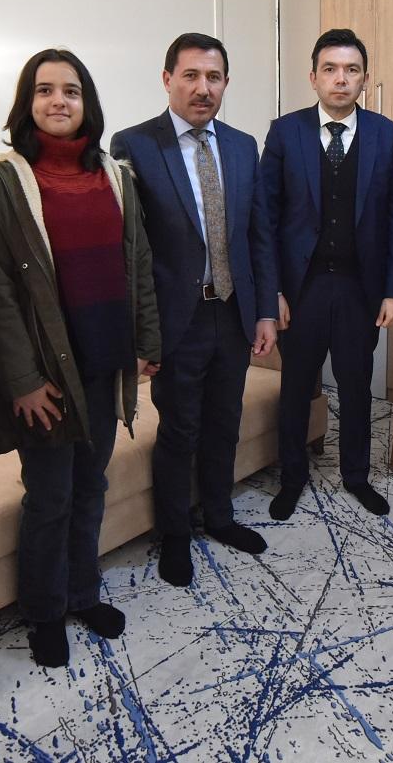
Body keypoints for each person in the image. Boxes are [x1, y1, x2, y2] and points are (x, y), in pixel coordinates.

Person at [0, 48, 161, 668]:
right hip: (46, 377)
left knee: (91, 486)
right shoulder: (2, 182)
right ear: (26, 103)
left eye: (70, 91)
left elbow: (138, 265)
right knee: (49, 497)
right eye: (44, 90)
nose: (58, 101)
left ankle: (82, 594)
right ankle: (44, 611)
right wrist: (21, 380)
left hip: (103, 364)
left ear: (87, 103)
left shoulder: (116, 176)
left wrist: (147, 342)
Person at [111, 33, 278, 587]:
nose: (203, 88)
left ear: (226, 83)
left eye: (214, 77)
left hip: (232, 312)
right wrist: (141, 333)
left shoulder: (242, 145)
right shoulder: (134, 145)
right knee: (179, 430)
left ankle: (220, 516)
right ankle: (176, 533)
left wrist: (264, 311)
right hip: (175, 319)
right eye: (191, 76)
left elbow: (257, 235)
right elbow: (131, 250)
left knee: (224, 423)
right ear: (167, 79)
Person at [260, 29, 393, 519]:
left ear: (364, 79)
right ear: (313, 77)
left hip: (358, 287)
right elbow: (266, 217)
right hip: (300, 288)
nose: (340, 79)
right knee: (296, 387)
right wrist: (273, 290)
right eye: (330, 69)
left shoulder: (388, 135)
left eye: (351, 70)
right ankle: (292, 476)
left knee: (356, 384)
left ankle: (356, 476)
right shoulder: (285, 132)